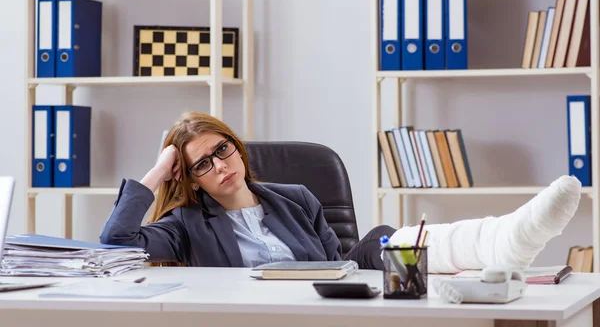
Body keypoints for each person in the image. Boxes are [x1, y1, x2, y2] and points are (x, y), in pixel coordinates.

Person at [100, 111, 582, 273]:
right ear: (191, 178)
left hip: (327, 303)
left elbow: (342, 265)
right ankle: (501, 244)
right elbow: (116, 243)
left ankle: (502, 244)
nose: (220, 166)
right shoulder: (185, 226)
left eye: (222, 150)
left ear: (237, 147)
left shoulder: (298, 198)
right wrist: (159, 172)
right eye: (200, 164)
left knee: (381, 239)